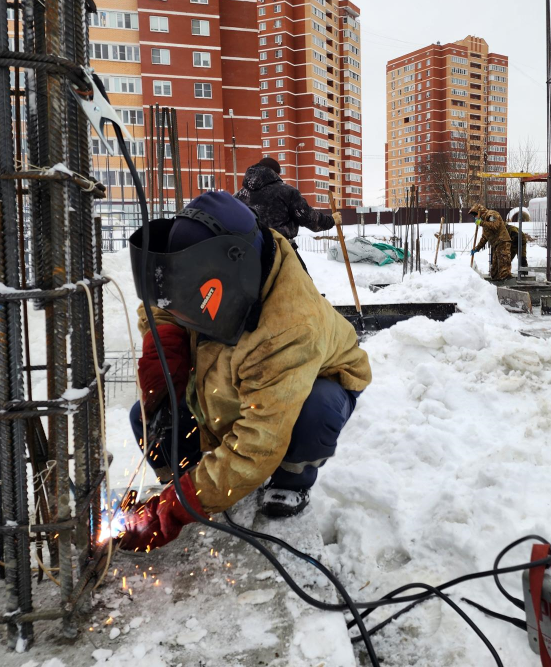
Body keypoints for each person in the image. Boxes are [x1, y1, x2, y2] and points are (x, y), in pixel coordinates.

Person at [120, 191, 372, 552]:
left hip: (317, 380)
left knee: (316, 411)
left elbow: (258, 443)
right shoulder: (221, 273)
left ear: (230, 273)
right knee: (148, 418)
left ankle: (291, 481)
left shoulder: (289, 326)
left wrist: (175, 511)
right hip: (240, 371)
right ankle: (197, 482)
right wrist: (166, 340)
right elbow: (163, 303)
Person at [236, 157, 341, 271]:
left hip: (247, 257)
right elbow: (310, 219)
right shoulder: (286, 192)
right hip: (281, 253)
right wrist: (331, 220)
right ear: (275, 174)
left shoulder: (239, 196)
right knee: (302, 287)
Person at [469, 203, 512, 280]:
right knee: (495, 271)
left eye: (474, 215)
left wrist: (481, 223)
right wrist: (477, 248)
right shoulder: (484, 223)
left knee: (503, 265)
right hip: (496, 244)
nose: (474, 217)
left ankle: (507, 283)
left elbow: (495, 225)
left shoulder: (491, 214)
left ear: (479, 213)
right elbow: (484, 237)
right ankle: (496, 284)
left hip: (502, 241)